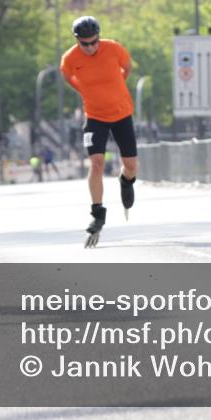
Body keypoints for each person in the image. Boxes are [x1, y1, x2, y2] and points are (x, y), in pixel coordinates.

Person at [60, 16, 138, 248]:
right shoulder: (70, 59)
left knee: (131, 165)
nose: (91, 47)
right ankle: (97, 213)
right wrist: (87, 92)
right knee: (96, 162)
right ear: (77, 41)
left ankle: (126, 181)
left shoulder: (114, 48)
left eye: (94, 42)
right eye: (85, 44)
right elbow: (68, 77)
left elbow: (128, 68)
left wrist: (116, 87)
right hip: (94, 117)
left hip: (122, 113)